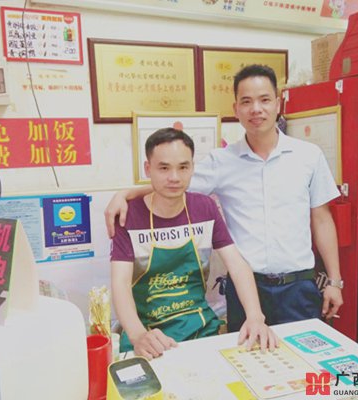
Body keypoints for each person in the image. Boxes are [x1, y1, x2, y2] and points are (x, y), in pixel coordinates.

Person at [107, 64, 343, 334]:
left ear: (278, 104)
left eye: (265, 100)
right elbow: (174, 183)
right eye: (247, 101)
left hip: (298, 286)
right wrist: (125, 194)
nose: (256, 109)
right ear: (236, 109)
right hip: (245, 287)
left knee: (302, 356)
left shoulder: (309, 156)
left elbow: (322, 220)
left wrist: (334, 281)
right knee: (247, 357)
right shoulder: (221, 161)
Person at [111, 127, 277, 360]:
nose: (174, 177)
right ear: (148, 169)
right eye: (164, 168)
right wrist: (138, 335)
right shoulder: (128, 215)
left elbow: (237, 264)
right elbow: (120, 282)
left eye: (183, 167)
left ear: (192, 168)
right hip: (149, 333)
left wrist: (255, 316)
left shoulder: (204, 207)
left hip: (200, 328)